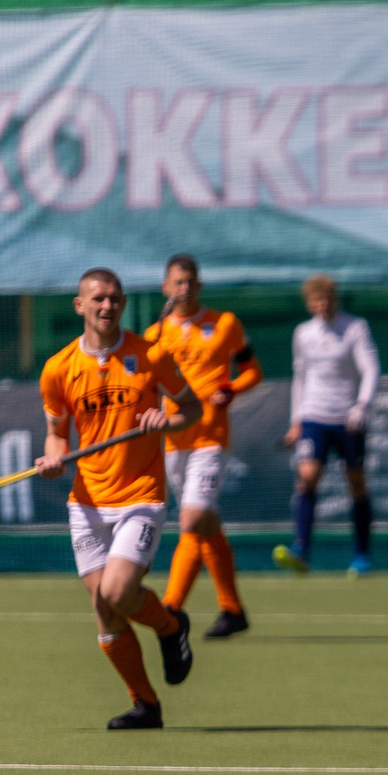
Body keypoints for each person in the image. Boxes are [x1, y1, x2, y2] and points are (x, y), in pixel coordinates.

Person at [35, 268, 198, 730]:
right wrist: (54, 458)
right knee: (105, 609)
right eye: (98, 298)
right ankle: (145, 704)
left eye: (115, 299)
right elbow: (56, 434)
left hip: (140, 495)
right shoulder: (58, 368)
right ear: (79, 306)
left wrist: (166, 421)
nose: (107, 306)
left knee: (118, 592)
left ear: (123, 304)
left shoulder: (151, 356)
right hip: (87, 503)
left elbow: (192, 408)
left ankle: (170, 626)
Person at [147, 255, 262, 638]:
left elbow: (253, 371)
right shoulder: (154, 334)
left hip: (211, 438)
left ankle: (170, 608)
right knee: (206, 524)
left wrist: (231, 388)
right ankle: (233, 610)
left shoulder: (225, 323)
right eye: (177, 282)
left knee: (192, 520)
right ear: (165, 288)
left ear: (199, 285)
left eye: (190, 282)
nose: (184, 289)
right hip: (173, 441)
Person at [275, 274, 380, 577]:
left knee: (356, 484)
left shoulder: (355, 327)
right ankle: (301, 552)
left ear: (335, 299)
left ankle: (361, 555)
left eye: (327, 299)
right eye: (316, 300)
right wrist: (296, 421)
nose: (322, 304)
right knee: (307, 478)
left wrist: (361, 407)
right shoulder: (303, 333)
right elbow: (300, 377)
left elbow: (371, 369)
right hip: (313, 416)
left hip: (348, 420)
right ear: (309, 303)